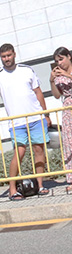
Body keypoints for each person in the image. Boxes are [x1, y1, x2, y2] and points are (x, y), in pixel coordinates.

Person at [0, 43, 51, 200]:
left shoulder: (27, 70)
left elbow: (38, 92)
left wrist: (46, 114)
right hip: (16, 123)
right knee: (19, 153)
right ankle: (12, 189)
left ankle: (40, 185)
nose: (7, 59)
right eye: (4, 57)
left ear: (14, 54)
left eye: (9, 55)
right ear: (1, 58)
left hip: (36, 118)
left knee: (39, 151)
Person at [50, 46, 72, 194]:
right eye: (57, 61)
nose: (60, 63)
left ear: (69, 56)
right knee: (69, 144)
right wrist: (52, 80)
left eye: (61, 59)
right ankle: (71, 179)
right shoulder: (59, 74)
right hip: (68, 107)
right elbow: (57, 95)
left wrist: (68, 75)